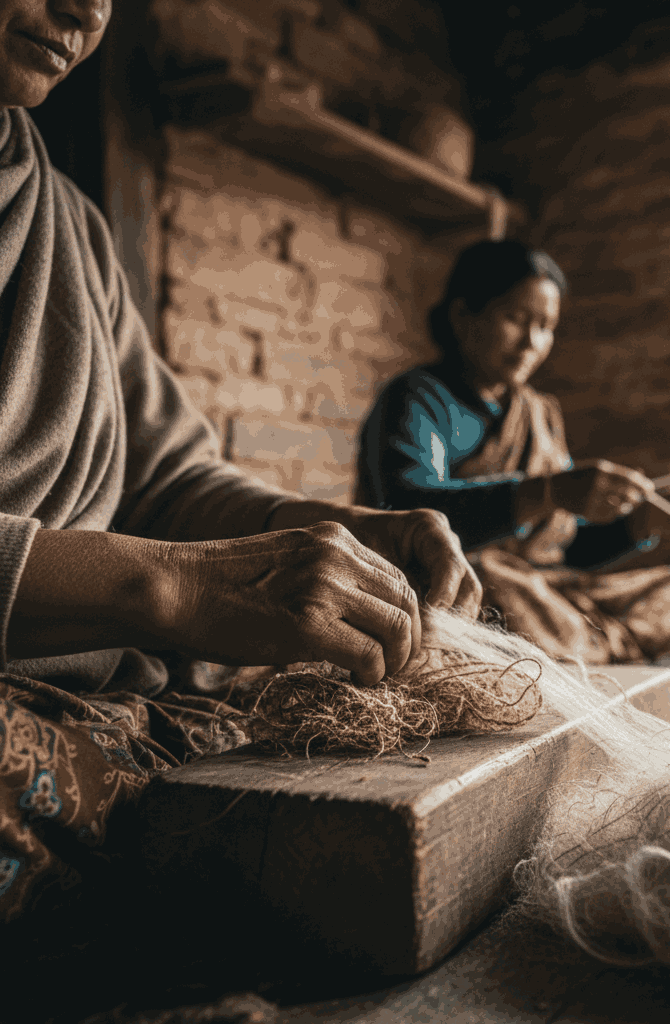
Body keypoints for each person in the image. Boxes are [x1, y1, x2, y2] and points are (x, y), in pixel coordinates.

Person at [0, 0, 482, 931]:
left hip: (114, 702)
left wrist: (329, 533)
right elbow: (166, 567)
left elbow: (172, 480)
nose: (86, 10)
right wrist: (170, 588)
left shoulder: (72, 228)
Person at [356, 240, 670, 665]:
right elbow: (406, 514)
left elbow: (563, 548)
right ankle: (607, 653)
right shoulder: (419, 399)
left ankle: (587, 651)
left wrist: (640, 523)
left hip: (548, 593)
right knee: (490, 582)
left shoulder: (540, 414)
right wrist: (548, 491)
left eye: (546, 326)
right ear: (462, 316)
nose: (531, 342)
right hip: (469, 588)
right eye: (515, 318)